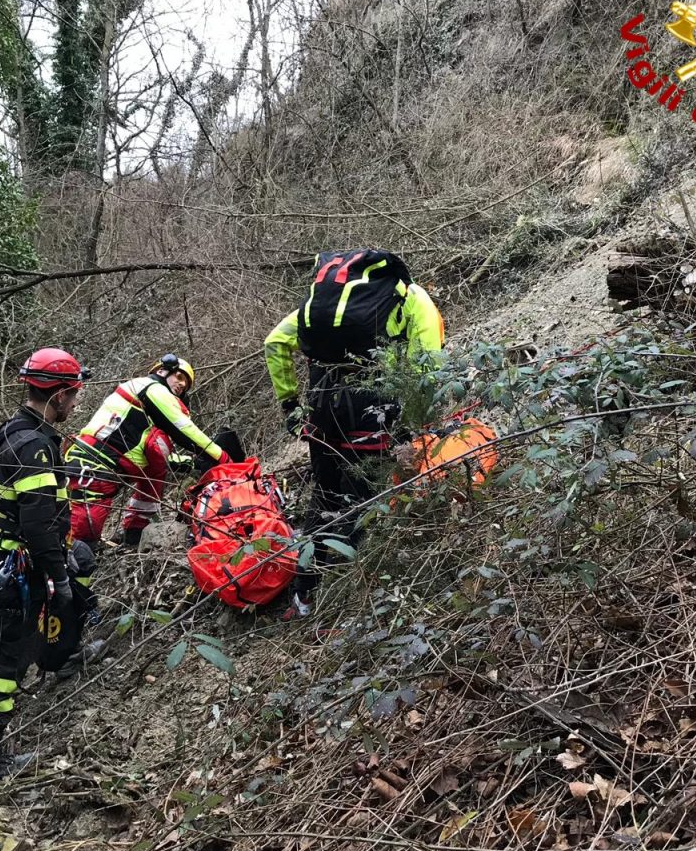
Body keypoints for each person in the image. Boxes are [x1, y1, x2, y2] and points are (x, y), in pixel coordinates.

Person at [264, 248, 444, 618]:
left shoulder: (321, 308)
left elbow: (275, 343)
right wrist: (416, 422)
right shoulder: (411, 297)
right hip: (374, 411)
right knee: (365, 504)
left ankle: (304, 595)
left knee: (325, 498)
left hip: (322, 411)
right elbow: (429, 364)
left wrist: (290, 407)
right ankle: (351, 605)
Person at [0, 349, 92, 781]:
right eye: (72, 395)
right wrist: (58, 574)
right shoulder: (34, 445)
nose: (75, 403)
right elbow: (37, 526)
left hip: (2, 558)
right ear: (55, 395)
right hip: (16, 565)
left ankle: (63, 653)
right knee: (6, 658)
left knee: (25, 637)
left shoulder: (13, 431)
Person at [66, 354, 228, 549]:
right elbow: (184, 429)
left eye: (185, 384)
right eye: (179, 377)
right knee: (84, 534)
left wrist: (192, 463)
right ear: (162, 370)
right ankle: (69, 569)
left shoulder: (147, 411)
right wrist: (221, 456)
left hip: (110, 465)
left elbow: (155, 453)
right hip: (94, 464)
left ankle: (134, 532)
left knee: (155, 474)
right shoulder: (152, 388)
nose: (181, 385)